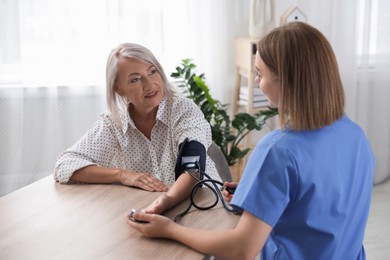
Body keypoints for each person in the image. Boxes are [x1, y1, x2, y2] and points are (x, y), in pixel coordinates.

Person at [126, 22, 375, 259]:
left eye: (260, 74)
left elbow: (242, 249)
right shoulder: (355, 134)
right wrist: (258, 199)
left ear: (285, 80)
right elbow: (320, 210)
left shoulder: (278, 151)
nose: (256, 82)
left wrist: (170, 230)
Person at [53, 42, 221, 214]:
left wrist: (165, 202)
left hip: (205, 206)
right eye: (135, 79)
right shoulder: (112, 123)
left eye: (152, 71)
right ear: (118, 88)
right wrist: (123, 175)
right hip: (151, 209)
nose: (149, 85)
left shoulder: (183, 110)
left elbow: (192, 164)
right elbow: (65, 165)